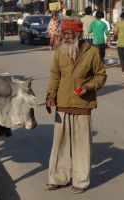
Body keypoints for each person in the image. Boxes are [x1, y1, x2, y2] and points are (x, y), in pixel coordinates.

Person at [45, 18, 107, 194]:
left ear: (78, 35)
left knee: (82, 146)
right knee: (60, 146)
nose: (66, 37)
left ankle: (80, 181)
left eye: (69, 34)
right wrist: (50, 95)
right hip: (62, 104)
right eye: (64, 34)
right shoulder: (59, 52)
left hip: (83, 104)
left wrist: (89, 86)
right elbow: (54, 76)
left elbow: (101, 76)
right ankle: (57, 178)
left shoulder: (93, 52)